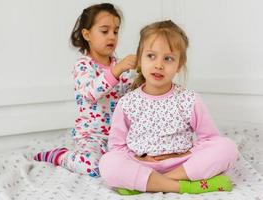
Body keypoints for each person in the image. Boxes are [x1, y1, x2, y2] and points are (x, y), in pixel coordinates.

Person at [99, 20, 239, 195]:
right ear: (140, 60)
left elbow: (210, 139)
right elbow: (117, 146)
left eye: (168, 58)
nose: (159, 65)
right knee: (108, 162)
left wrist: (185, 155)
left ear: (179, 65)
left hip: (182, 164)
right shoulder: (127, 103)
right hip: (142, 164)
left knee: (227, 147)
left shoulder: (189, 99)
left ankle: (150, 183)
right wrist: (137, 158)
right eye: (151, 56)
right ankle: (184, 186)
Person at [33, 3, 137, 177]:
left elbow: (128, 96)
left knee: (137, 161)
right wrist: (117, 70)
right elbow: (91, 93)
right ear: (87, 34)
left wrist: (140, 79)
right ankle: (61, 156)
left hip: (119, 136)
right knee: (92, 167)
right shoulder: (83, 66)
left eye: (116, 31)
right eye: (105, 31)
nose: (112, 36)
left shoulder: (117, 64)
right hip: (92, 136)